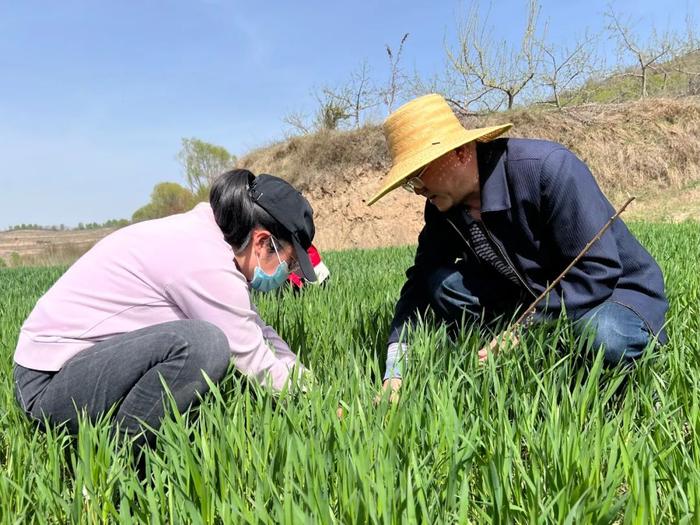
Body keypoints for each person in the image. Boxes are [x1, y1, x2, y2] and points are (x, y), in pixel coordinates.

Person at [367, 94, 668, 398]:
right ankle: (504, 353)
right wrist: (395, 372)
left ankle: (582, 368)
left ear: (460, 152)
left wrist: (522, 332)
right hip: (533, 295)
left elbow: (597, 270)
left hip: (611, 292)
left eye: (419, 174)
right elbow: (419, 283)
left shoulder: (547, 169)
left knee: (604, 336)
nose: (418, 189)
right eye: (409, 181)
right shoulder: (443, 208)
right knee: (440, 283)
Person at [13, 169, 317, 448]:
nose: (287, 272)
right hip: (48, 385)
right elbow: (252, 356)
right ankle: (124, 459)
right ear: (263, 242)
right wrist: (314, 404)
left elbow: (256, 328)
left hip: (74, 368)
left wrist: (310, 384)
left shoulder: (209, 239)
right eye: (289, 262)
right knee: (206, 345)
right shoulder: (203, 260)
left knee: (205, 344)